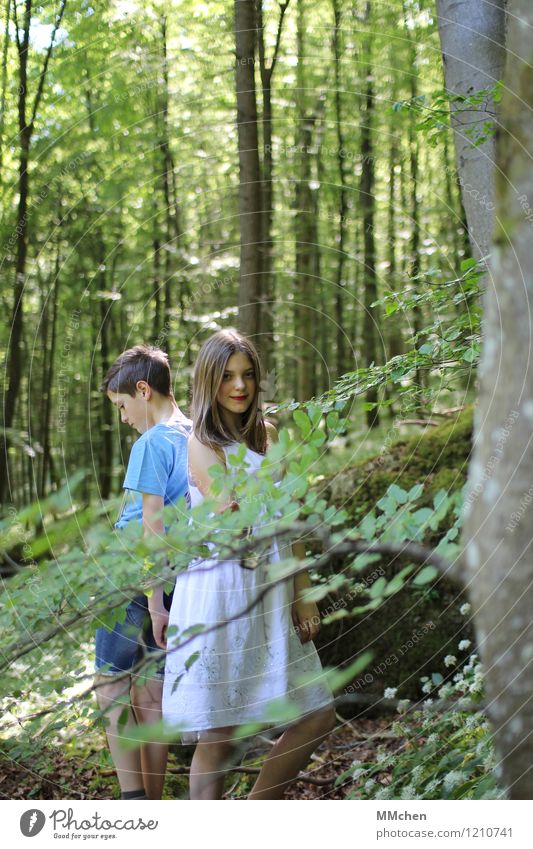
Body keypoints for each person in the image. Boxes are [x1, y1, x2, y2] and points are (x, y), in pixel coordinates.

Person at [162, 329, 335, 800]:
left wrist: (302, 598)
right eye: (227, 377)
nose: (239, 386)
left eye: (248, 375)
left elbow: (289, 525)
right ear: (207, 382)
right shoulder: (200, 442)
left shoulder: (270, 436)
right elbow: (233, 523)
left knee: (318, 714)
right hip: (222, 595)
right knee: (220, 736)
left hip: (273, 587)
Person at [94, 345, 191, 800]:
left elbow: (150, 527)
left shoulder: (152, 441)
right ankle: (154, 805)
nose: (123, 417)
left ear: (142, 389)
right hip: (175, 576)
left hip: (134, 577)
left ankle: (134, 801)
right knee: (151, 692)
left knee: (110, 683)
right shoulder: (195, 432)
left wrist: (153, 603)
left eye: (121, 406)